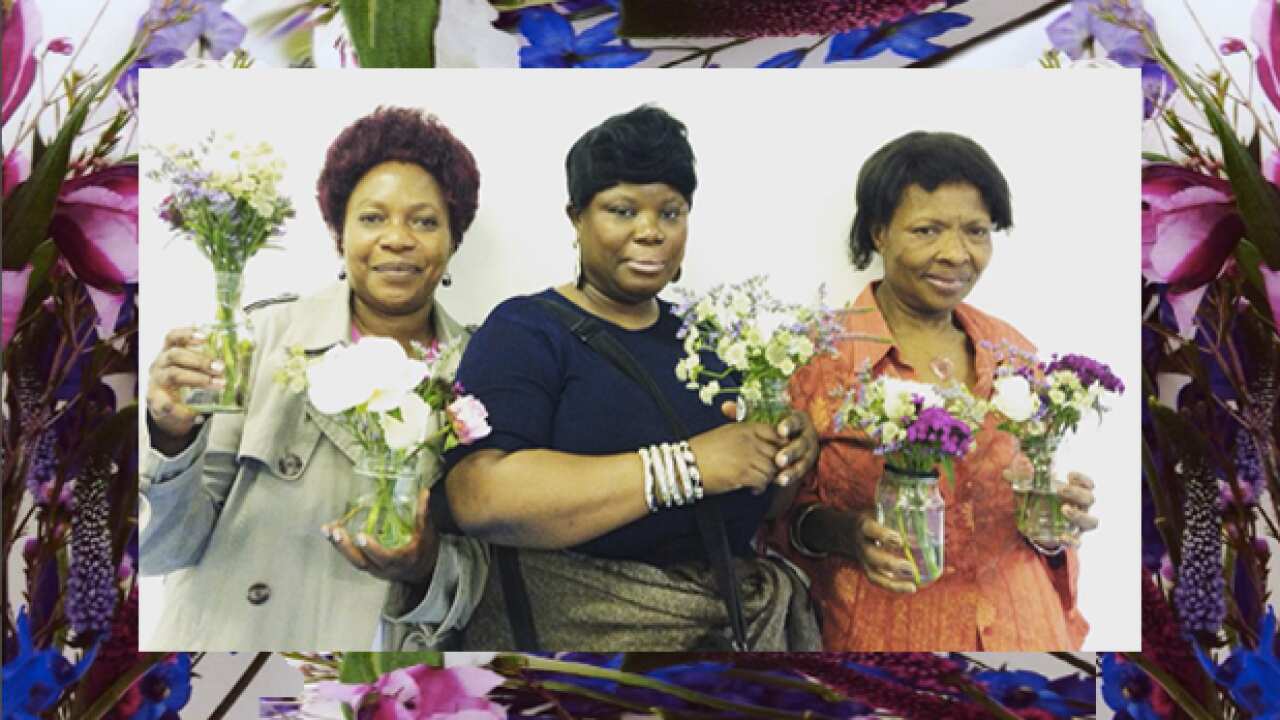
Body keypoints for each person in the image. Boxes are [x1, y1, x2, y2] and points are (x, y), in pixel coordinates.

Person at [430, 105, 822, 651]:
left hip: (728, 634)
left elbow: (749, 510)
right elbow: (479, 496)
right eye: (622, 210)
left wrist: (784, 458)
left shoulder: (712, 340)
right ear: (576, 218)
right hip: (578, 651)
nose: (650, 233)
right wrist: (688, 466)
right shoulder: (525, 329)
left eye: (671, 212)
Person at [140, 107, 486, 650]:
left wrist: (424, 567)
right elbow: (159, 552)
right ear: (337, 234)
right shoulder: (261, 339)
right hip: (234, 656)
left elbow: (490, 579)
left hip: (378, 674)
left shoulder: (483, 369)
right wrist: (170, 437)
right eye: (373, 218)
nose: (397, 239)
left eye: (424, 220)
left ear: (452, 240)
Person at [775, 131, 1098, 651]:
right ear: (879, 232)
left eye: (976, 231)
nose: (956, 254)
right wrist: (850, 534)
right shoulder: (819, 359)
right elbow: (782, 522)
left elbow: (1029, 500)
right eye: (927, 230)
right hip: (886, 636)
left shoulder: (1011, 351)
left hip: (1024, 631)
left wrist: (1053, 518)